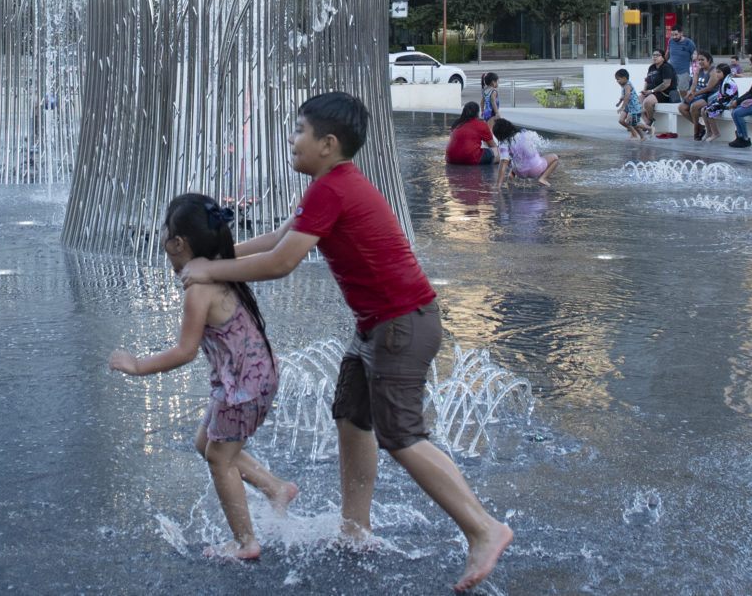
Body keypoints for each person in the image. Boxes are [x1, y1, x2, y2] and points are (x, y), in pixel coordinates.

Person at [180, 92, 513, 591]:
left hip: (402, 323)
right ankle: (356, 530)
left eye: (299, 132)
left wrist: (209, 269)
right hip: (378, 324)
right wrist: (207, 261)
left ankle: (483, 529)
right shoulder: (329, 186)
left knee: (401, 435)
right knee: (352, 417)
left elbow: (281, 263)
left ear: (327, 143)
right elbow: (275, 240)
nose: (292, 140)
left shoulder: (331, 190)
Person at [110, 194, 294, 561]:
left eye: (164, 235)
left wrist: (137, 365)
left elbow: (185, 351)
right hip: (251, 378)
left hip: (241, 388)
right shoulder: (220, 267)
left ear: (179, 244)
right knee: (205, 443)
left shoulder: (199, 289)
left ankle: (246, 543)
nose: (161, 241)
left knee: (219, 458)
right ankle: (275, 488)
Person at [493, 116, 557, 188]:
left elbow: (504, 162)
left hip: (519, 172)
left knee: (513, 159)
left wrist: (498, 184)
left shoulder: (504, 143)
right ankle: (543, 178)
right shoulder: (524, 133)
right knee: (555, 157)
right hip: (536, 169)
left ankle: (511, 175)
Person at [676, 52, 717, 139]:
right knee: (681, 108)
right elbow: (694, 84)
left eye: (703, 60)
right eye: (699, 60)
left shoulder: (713, 71)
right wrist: (690, 92)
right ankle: (699, 126)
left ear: (709, 60)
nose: (700, 62)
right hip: (697, 93)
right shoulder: (698, 70)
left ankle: (695, 130)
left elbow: (709, 88)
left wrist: (694, 94)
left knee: (694, 106)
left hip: (708, 95)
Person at [698, 63, 739, 144]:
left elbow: (728, 97)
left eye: (719, 72)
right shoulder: (722, 81)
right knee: (703, 110)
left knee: (709, 111)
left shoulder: (729, 82)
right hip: (723, 101)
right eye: (716, 72)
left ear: (725, 72)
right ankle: (709, 131)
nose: (717, 74)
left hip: (728, 103)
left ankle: (716, 133)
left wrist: (717, 103)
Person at [641, 49, 678, 136]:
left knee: (647, 102)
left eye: (657, 55)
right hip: (651, 92)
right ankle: (647, 122)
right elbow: (647, 80)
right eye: (653, 55)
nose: (655, 57)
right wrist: (644, 90)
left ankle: (650, 121)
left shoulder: (666, 67)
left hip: (664, 93)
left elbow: (666, 84)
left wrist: (652, 91)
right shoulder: (652, 67)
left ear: (663, 57)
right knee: (635, 101)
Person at [615, 68, 648, 142]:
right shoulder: (623, 85)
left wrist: (622, 106)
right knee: (621, 121)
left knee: (632, 123)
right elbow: (623, 95)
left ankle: (640, 134)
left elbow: (627, 96)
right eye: (616, 79)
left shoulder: (628, 85)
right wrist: (619, 102)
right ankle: (635, 134)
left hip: (632, 106)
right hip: (628, 105)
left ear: (624, 78)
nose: (617, 81)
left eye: (618, 79)